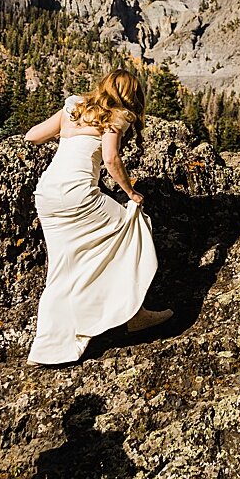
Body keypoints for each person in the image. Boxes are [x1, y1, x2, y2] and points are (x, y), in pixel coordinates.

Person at [23, 68, 172, 365]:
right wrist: (130, 192)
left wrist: (69, 132)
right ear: (131, 94)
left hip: (47, 196)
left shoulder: (74, 107)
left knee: (62, 267)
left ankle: (46, 349)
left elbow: (32, 136)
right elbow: (111, 158)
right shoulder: (118, 116)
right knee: (134, 226)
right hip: (78, 195)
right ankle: (135, 314)